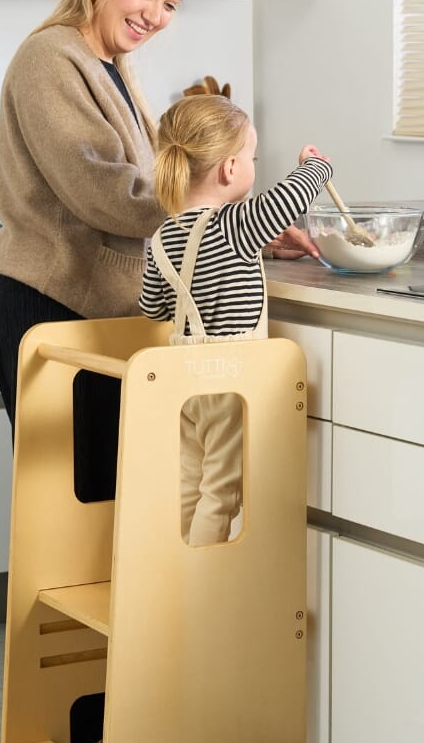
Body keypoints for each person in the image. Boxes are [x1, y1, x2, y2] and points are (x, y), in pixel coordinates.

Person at [0, 0, 316, 504]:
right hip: (51, 306)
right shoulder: (49, 59)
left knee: (110, 509)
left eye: (172, 2)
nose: (157, 15)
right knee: (79, 513)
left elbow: (159, 195)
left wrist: (245, 234)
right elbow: (108, 193)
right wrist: (232, 218)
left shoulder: (110, 65)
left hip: (93, 312)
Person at [139, 94, 332, 545]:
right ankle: (204, 591)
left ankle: (176, 576)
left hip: (183, 384)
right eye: (251, 156)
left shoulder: (163, 234)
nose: (253, 166)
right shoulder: (234, 224)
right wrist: (316, 166)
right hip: (228, 382)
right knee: (222, 492)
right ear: (229, 169)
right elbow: (290, 198)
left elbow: (152, 307)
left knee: (190, 483)